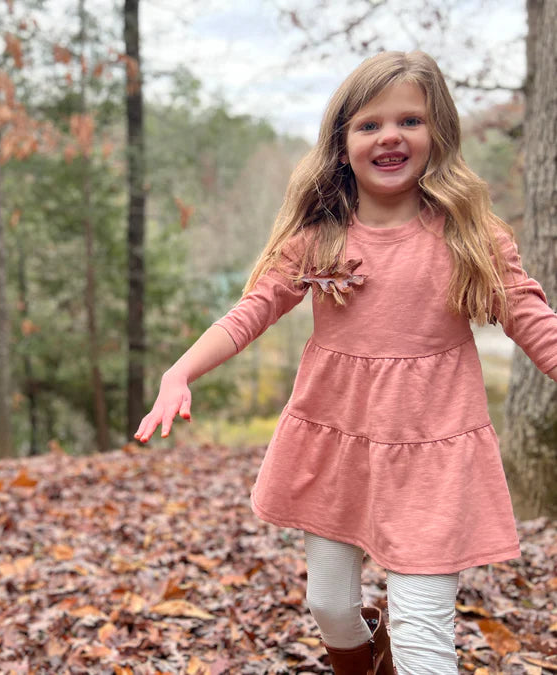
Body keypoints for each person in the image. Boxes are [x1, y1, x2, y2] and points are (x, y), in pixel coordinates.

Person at [133, 51, 557, 675]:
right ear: (342, 144)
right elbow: (252, 310)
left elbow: (531, 319)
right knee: (330, 606)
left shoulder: (472, 235)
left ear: (437, 133)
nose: (390, 135)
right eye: (369, 124)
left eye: (410, 120)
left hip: (432, 453)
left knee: (420, 640)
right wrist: (180, 371)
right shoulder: (321, 237)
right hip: (338, 446)